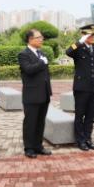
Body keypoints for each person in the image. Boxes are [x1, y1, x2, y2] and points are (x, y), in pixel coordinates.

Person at [66, 23, 94, 151]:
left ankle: (88, 139)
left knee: (90, 115)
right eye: (90, 35)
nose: (93, 37)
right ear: (84, 35)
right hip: (81, 88)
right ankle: (80, 140)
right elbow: (68, 52)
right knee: (80, 114)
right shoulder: (79, 48)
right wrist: (80, 41)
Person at [18, 29, 53, 158]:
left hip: (44, 93)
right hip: (31, 94)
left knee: (40, 122)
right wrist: (41, 62)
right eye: (38, 37)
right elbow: (28, 70)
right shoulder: (23, 54)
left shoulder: (41, 53)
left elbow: (45, 75)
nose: (41, 39)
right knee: (30, 122)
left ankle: (38, 146)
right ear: (30, 39)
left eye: (41, 37)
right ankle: (29, 148)